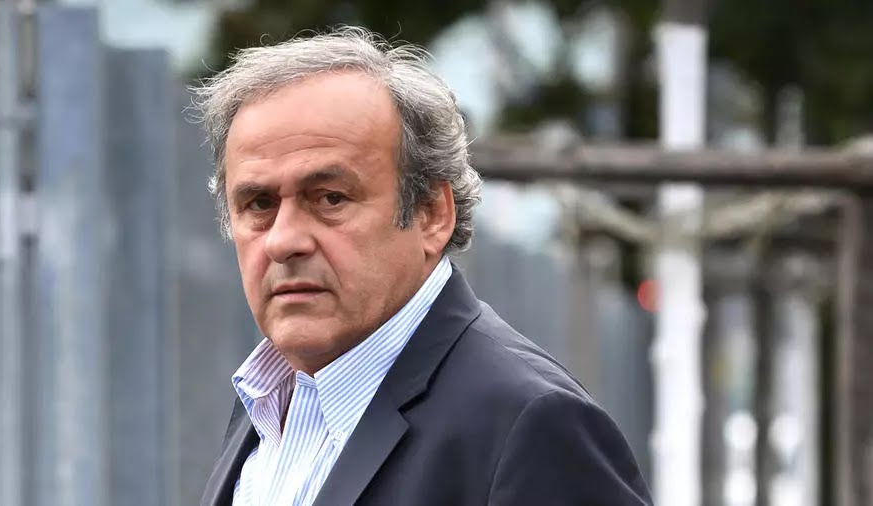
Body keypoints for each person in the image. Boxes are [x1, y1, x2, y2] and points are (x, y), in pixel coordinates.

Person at [194, 27, 652, 506]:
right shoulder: (267, 403)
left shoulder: (531, 425)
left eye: (330, 198)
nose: (284, 241)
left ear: (432, 214)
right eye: (259, 204)